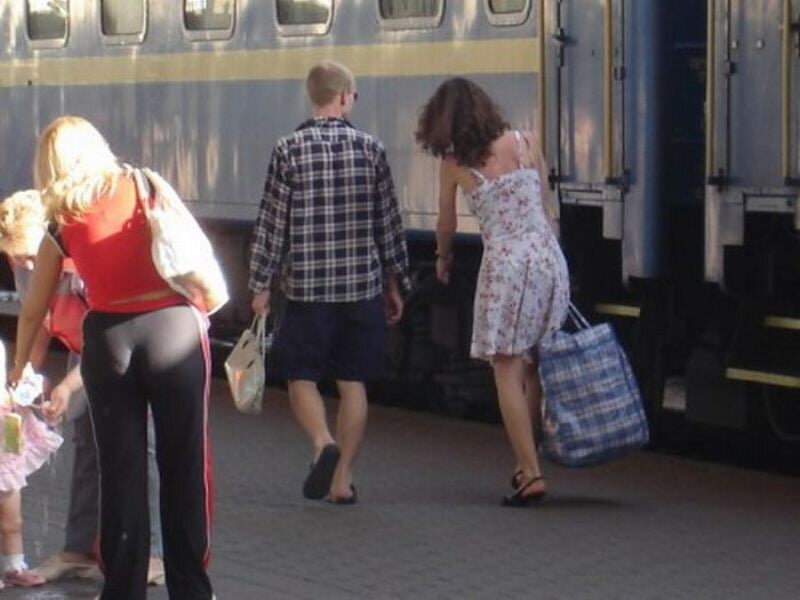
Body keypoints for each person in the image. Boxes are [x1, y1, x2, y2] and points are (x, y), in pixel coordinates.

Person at [9, 116, 214, 600]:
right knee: (183, 467)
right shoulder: (143, 185)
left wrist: (19, 367)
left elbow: (34, 308)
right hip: (172, 330)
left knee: (120, 475)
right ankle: (191, 589)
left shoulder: (61, 219)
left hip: (107, 340)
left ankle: (122, 589)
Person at [249, 60, 410, 504]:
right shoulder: (371, 149)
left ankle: (322, 442)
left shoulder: (288, 150)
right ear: (343, 97)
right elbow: (388, 223)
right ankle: (342, 480)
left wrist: (260, 284)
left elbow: (272, 223)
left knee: (300, 376)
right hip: (361, 287)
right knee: (353, 381)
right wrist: (395, 281)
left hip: (307, 288)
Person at [415, 77, 570, 507]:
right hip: (549, 259)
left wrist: (443, 258)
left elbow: (446, 223)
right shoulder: (527, 142)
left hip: (507, 266)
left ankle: (531, 473)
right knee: (534, 365)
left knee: (506, 367)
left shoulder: (454, 165)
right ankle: (525, 461)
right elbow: (545, 204)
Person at [0, 190, 165, 586]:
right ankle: (80, 548)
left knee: (138, 447)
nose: (24, 265)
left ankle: (150, 554)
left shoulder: (83, 267)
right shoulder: (28, 262)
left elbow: (106, 335)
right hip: (85, 350)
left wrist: (67, 387)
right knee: (86, 442)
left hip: (129, 348)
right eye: (14, 257)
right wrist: (23, 375)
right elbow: (38, 320)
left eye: (29, 255)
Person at [0, 340, 62, 588]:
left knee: (13, 521)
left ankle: (15, 566)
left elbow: (13, 379)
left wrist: (28, 388)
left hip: (4, 445)